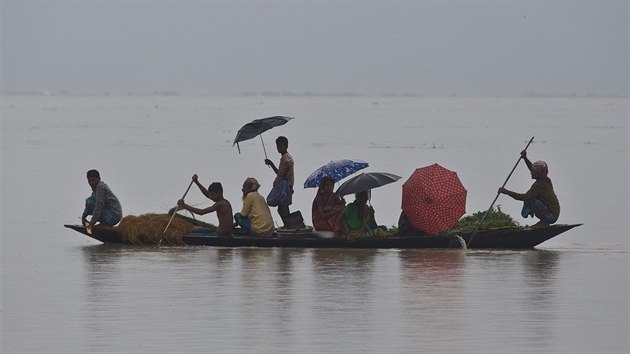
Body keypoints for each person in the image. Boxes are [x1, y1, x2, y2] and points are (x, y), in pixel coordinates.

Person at [498, 150, 560, 228]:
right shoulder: (546, 180)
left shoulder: (539, 185)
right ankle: (543, 221)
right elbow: (532, 167)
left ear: (538, 173)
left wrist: (507, 192)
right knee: (530, 198)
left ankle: (544, 222)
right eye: (532, 170)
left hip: (551, 216)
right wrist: (525, 158)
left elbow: (524, 197)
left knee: (529, 199)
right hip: (551, 214)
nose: (531, 172)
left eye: (533, 171)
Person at [264, 136, 294, 225]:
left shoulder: (285, 158)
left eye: (280, 146)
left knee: (282, 207)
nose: (278, 148)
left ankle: (288, 225)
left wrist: (278, 181)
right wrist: (271, 164)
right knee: (282, 207)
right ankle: (288, 225)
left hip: (285, 185)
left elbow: (284, 172)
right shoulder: (285, 157)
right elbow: (280, 173)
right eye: (277, 146)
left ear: (286, 146)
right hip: (287, 184)